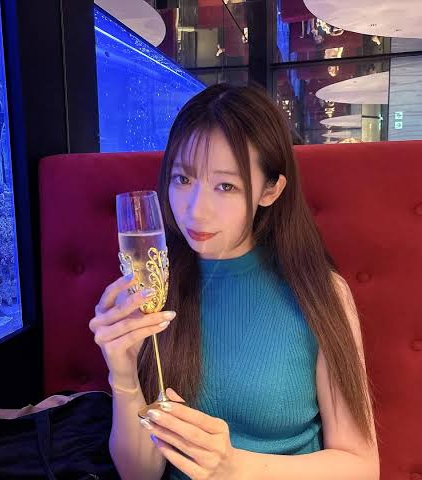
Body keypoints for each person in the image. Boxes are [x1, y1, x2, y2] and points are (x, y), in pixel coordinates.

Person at [88, 84, 379, 480]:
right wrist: (121, 373)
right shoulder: (156, 287)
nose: (196, 211)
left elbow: (361, 466)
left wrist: (233, 466)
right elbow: (140, 474)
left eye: (226, 186)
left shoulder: (320, 294)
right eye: (183, 179)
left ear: (271, 190)